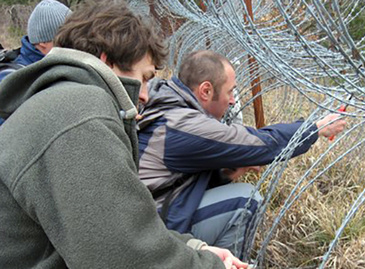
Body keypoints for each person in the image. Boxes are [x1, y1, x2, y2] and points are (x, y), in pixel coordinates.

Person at [0, 2, 247, 269]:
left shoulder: (63, 102)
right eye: (144, 77)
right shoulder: (81, 115)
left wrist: (195, 248)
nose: (145, 94)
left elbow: (119, 231)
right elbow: (123, 259)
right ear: (107, 60)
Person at [137, 50, 347, 256]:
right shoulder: (183, 125)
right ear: (206, 91)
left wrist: (226, 173)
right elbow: (260, 143)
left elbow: (175, 180)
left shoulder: (168, 103)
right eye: (229, 91)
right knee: (245, 200)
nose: (231, 101)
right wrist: (315, 129)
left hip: (146, 222)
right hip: (153, 241)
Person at [0, 0, 71, 126]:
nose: (74, 45)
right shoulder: (13, 81)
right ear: (43, 43)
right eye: (67, 39)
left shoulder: (61, 67)